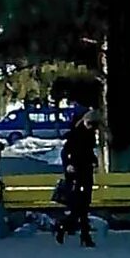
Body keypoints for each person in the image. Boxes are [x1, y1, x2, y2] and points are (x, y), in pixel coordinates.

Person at [53, 105, 99, 246]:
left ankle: (65, 228)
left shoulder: (90, 135)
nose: (93, 128)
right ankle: (82, 235)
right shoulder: (75, 134)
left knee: (83, 206)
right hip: (76, 174)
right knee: (80, 207)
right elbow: (65, 152)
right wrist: (68, 165)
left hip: (86, 172)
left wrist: (94, 161)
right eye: (91, 125)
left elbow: (89, 152)